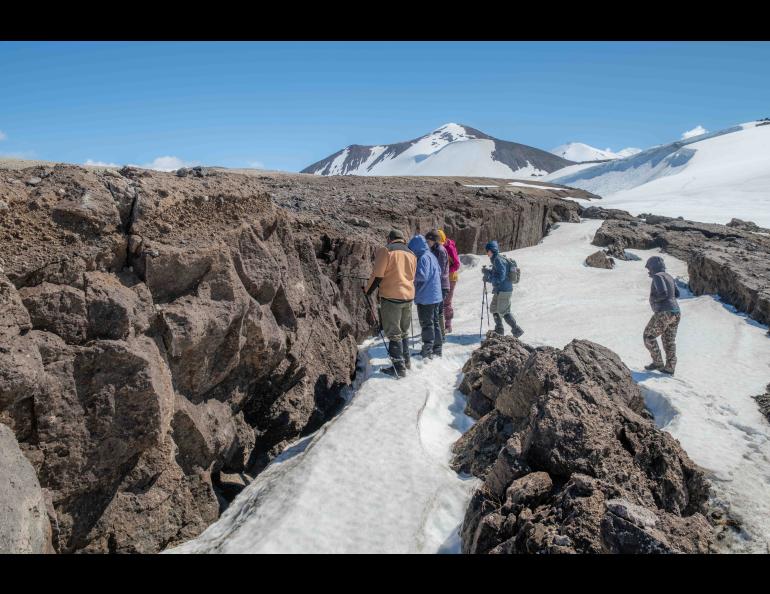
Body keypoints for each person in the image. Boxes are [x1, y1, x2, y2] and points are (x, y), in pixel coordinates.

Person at [365, 229, 417, 378]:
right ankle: (406, 362)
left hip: (391, 298)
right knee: (404, 330)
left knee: (393, 333)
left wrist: (368, 291)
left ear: (390, 239)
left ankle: (398, 368)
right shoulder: (412, 254)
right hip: (408, 296)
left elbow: (378, 275)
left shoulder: (386, 251)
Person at [643, 256, 681, 375]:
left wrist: (655, 299)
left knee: (648, 336)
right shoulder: (669, 276)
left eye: (649, 268)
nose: (648, 271)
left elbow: (663, 293)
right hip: (676, 312)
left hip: (664, 312)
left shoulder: (658, 276)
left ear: (653, 266)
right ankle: (670, 367)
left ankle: (658, 363)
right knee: (668, 340)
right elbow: (677, 294)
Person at [407, 234, 443, 359]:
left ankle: (427, 351)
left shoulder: (422, 257)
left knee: (427, 323)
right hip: (435, 295)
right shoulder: (431, 255)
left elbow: (422, 276)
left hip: (426, 297)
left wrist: (410, 276)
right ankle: (437, 349)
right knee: (435, 322)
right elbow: (439, 271)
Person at [482, 240, 524, 337]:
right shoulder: (496, 259)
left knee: (504, 311)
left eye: (487, 251)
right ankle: (499, 329)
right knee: (494, 308)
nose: (487, 253)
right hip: (500, 290)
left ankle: (516, 330)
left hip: (504, 290)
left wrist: (489, 277)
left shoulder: (498, 259)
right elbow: (497, 273)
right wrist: (488, 272)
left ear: (492, 250)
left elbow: (501, 276)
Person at [425, 230, 450, 339]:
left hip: (441, 285)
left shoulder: (440, 250)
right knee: (437, 311)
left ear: (434, 240)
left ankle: (440, 336)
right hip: (438, 285)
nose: (427, 243)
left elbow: (439, 269)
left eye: (428, 240)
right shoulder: (434, 249)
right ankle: (440, 336)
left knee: (438, 311)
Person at [438, 229, 461, 333]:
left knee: (447, 302)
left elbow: (456, 264)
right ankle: (440, 324)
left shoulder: (449, 247)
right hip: (441, 278)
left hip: (451, 278)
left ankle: (448, 326)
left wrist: (445, 271)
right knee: (439, 301)